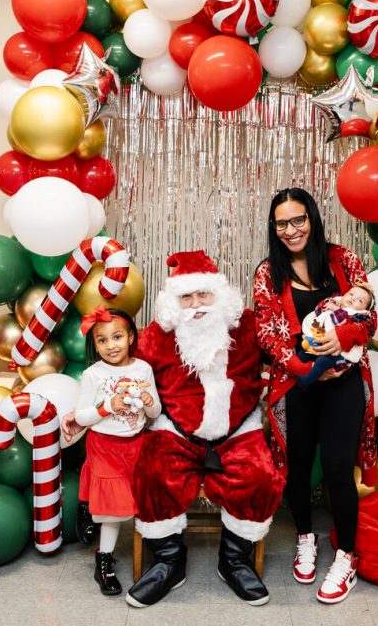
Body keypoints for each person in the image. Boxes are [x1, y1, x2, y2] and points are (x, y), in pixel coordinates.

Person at [125, 250, 285, 608]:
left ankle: (234, 561)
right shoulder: (156, 335)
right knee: (153, 473)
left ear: (221, 295)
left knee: (260, 476)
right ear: (172, 302)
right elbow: (130, 372)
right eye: (186, 297)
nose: (196, 305)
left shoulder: (248, 325)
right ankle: (169, 561)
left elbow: (283, 354)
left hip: (238, 428)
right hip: (176, 429)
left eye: (204, 295)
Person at [252, 188, 378, 605]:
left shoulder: (345, 260)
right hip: (296, 383)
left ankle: (347, 557)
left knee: (340, 467)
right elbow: (267, 335)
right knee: (299, 465)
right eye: (282, 223)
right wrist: (307, 368)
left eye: (298, 220)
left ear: (313, 218)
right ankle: (306, 537)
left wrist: (341, 337)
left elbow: (370, 315)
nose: (291, 230)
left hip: (345, 381)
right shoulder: (268, 273)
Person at [60, 306, 161, 597]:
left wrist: (147, 399)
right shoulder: (93, 374)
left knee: (135, 499)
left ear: (131, 337)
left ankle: (89, 508)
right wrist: (107, 407)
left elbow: (154, 412)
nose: (110, 345)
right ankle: (103, 560)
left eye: (117, 337)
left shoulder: (143, 369)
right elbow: (81, 417)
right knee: (114, 510)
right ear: (95, 344)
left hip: (135, 445)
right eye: (102, 340)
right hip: (104, 446)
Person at [296, 283, 374, 389]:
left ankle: (306, 380)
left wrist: (334, 309)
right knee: (303, 354)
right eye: (351, 294)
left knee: (322, 361)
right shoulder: (335, 301)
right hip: (321, 344)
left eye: (360, 300)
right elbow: (317, 312)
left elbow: (339, 319)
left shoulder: (357, 316)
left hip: (338, 356)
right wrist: (326, 305)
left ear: (365, 310)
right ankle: (297, 371)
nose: (353, 299)